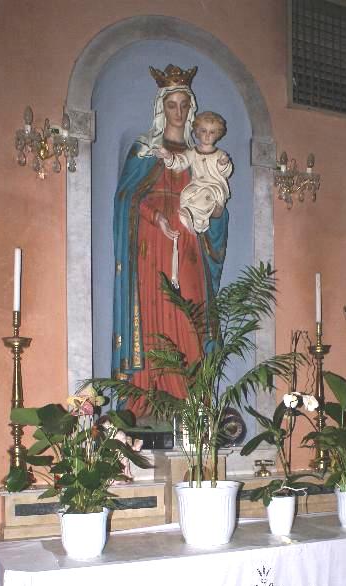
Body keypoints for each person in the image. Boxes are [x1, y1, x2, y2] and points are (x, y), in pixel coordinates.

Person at [112, 65, 229, 411]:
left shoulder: (200, 157)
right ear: (161, 107)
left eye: (183, 104)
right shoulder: (145, 149)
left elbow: (217, 207)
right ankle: (148, 403)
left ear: (191, 109)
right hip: (151, 249)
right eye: (171, 104)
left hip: (188, 245)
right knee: (154, 315)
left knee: (189, 313)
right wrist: (157, 217)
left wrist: (215, 212)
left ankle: (191, 406)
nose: (178, 111)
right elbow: (126, 199)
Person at [155, 111, 233, 234]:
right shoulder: (193, 152)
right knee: (186, 194)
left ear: (218, 134)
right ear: (197, 132)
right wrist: (169, 156)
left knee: (205, 197)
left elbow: (226, 172)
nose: (207, 135)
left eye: (212, 132)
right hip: (197, 185)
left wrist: (223, 164)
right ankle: (190, 218)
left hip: (214, 187)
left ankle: (197, 223)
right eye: (203, 131)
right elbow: (181, 162)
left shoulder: (219, 154)